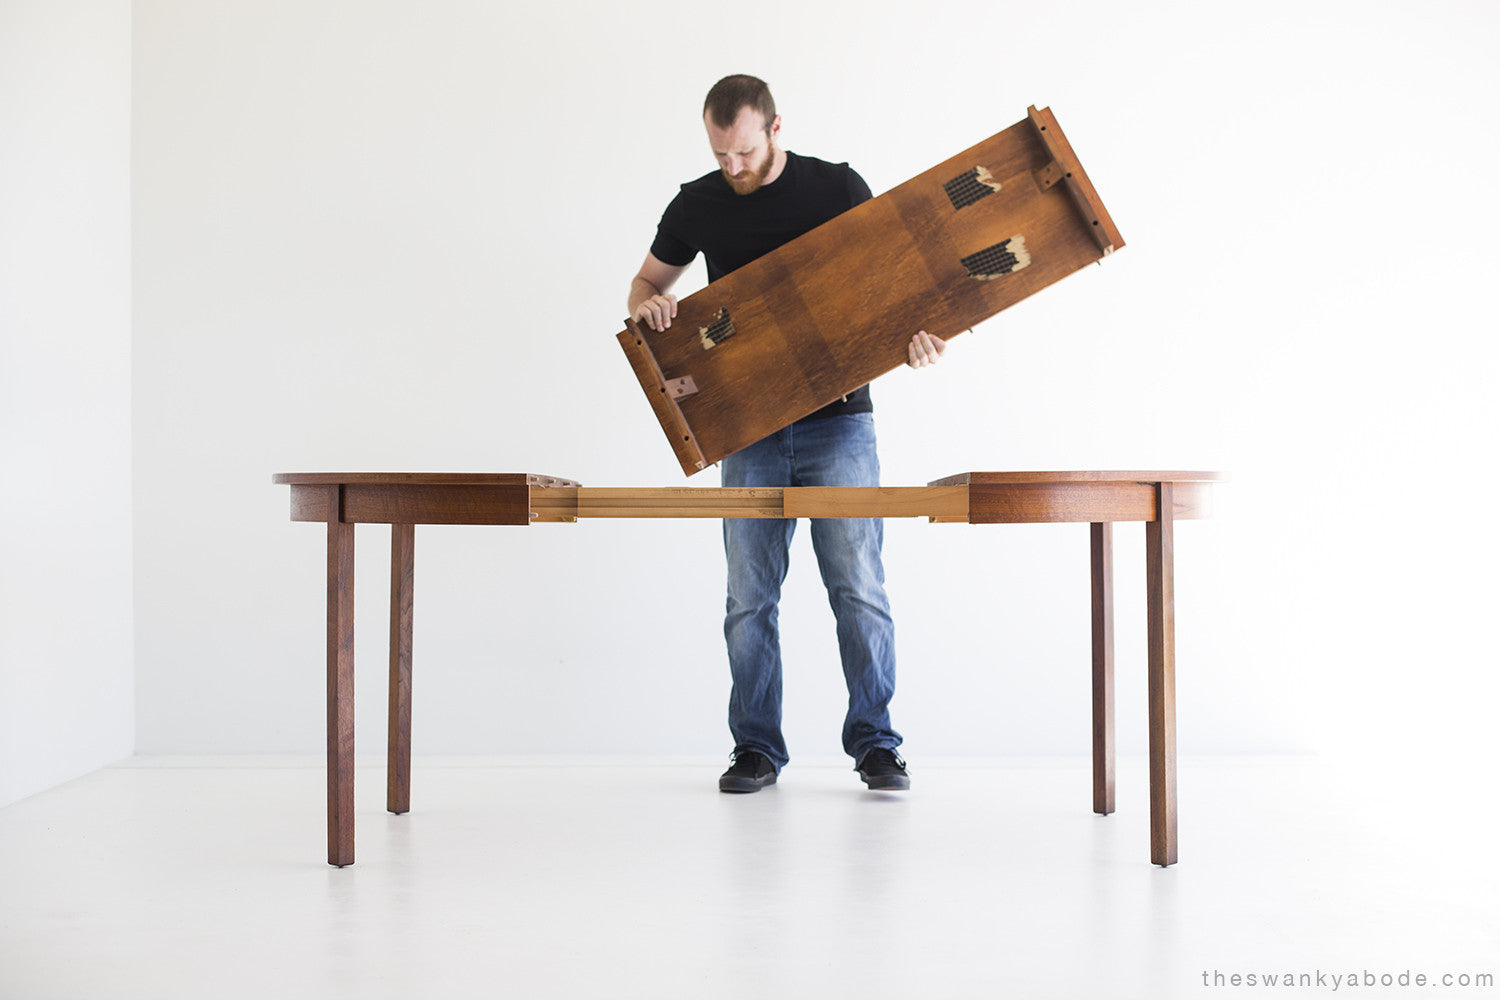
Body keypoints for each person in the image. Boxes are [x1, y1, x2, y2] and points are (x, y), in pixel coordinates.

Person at [627, 74, 945, 794]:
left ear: (775, 129)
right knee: (749, 597)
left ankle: (876, 743)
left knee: (858, 588)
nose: (730, 168)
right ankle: (756, 750)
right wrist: (653, 307)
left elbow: (896, 282)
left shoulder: (837, 188)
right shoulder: (697, 202)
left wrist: (917, 337)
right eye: (719, 155)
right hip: (748, 429)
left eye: (741, 151)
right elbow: (644, 286)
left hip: (841, 424)